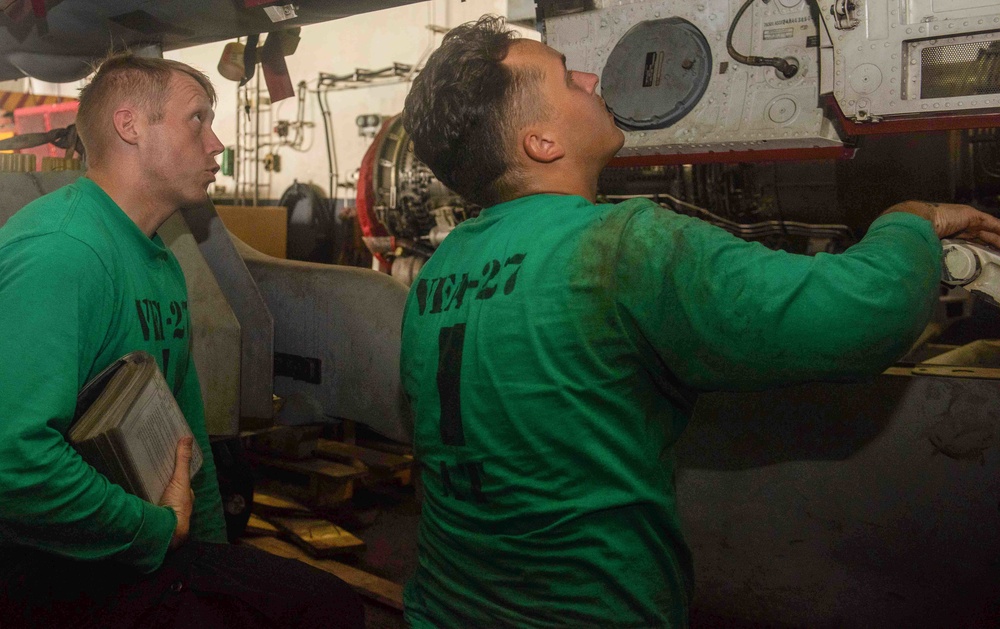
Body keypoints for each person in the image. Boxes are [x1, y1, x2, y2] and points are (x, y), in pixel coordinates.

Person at [397, 15, 1000, 628]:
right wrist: (909, 220)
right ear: (542, 143)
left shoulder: (442, 270)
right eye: (567, 78)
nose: (590, 76)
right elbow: (860, 314)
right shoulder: (622, 247)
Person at [0, 53, 363, 628]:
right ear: (130, 127)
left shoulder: (160, 260)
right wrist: (157, 532)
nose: (217, 143)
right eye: (198, 119)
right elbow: (11, 460)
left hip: (136, 540)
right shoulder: (63, 252)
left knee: (324, 603)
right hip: (45, 566)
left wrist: (210, 555)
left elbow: (184, 438)